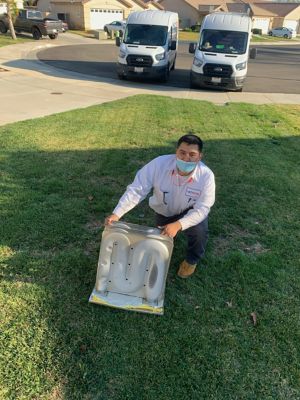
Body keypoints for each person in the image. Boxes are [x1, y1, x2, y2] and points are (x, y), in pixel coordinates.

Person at [105, 134, 215, 278]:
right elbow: (137, 189)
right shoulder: (158, 164)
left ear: (200, 156)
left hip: (190, 211)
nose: (186, 158)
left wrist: (179, 224)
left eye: (192, 154)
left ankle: (191, 260)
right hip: (164, 210)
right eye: (182, 152)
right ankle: (161, 254)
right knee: (161, 239)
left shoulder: (206, 176)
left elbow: (203, 208)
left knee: (199, 232)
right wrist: (117, 213)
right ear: (176, 151)